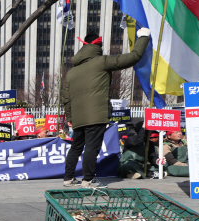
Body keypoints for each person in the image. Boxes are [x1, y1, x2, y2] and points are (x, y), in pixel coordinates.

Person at [62, 29, 150, 187]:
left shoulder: (72, 72)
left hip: (78, 117)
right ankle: (88, 179)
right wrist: (143, 38)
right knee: (92, 146)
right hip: (96, 114)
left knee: (76, 146)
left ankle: (68, 178)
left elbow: (66, 98)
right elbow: (133, 57)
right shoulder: (101, 61)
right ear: (99, 46)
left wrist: (70, 118)